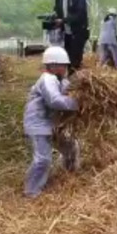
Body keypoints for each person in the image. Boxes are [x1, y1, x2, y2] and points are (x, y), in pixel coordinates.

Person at [22, 46, 80, 198]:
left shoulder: (59, 80)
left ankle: (69, 175)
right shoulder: (47, 79)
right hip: (38, 124)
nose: (66, 68)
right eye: (64, 65)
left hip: (51, 123)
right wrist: (78, 103)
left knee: (70, 146)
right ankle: (31, 191)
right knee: (43, 159)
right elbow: (55, 101)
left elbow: (69, 89)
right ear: (54, 66)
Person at [50, 0, 89, 73]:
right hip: (65, 32)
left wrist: (63, 20)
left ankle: (74, 80)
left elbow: (80, 14)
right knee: (65, 57)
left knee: (75, 59)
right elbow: (57, 9)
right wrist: (55, 15)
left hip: (78, 31)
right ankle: (67, 79)